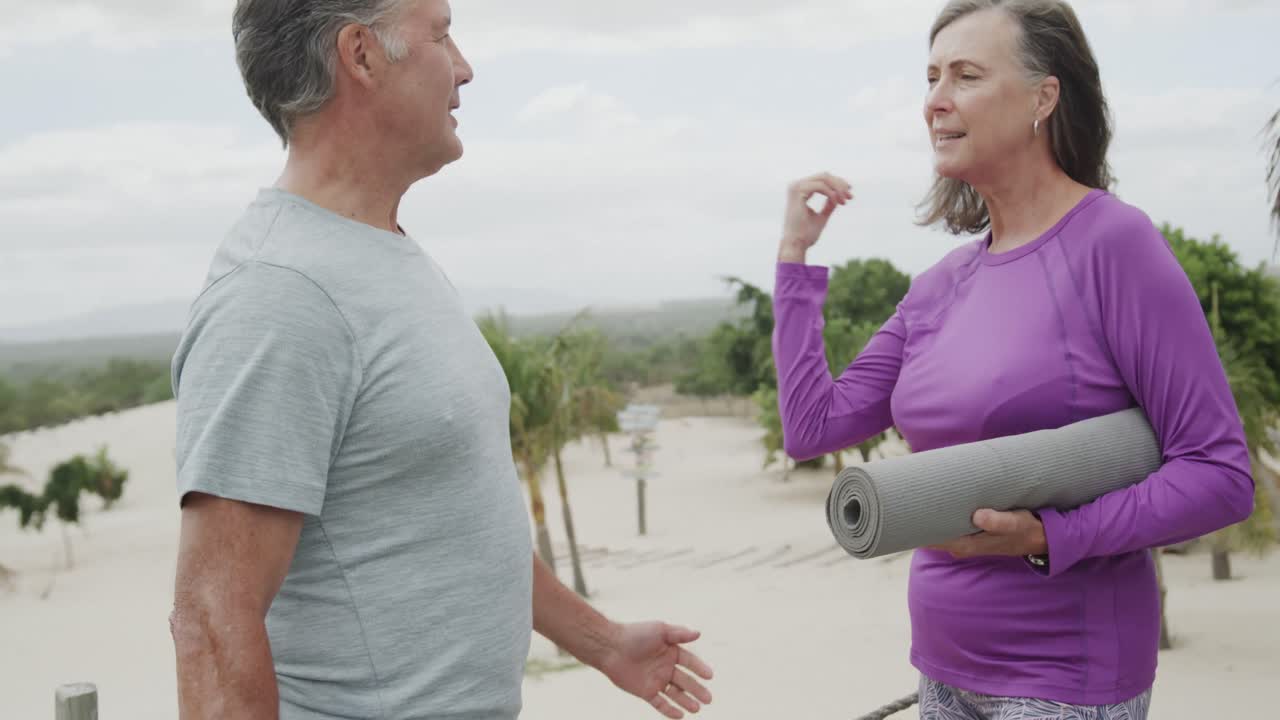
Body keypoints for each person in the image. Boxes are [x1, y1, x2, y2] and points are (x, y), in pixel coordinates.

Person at [167, 1, 713, 718]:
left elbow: (451, 519)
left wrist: (602, 642)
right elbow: (212, 623)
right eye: (441, 35)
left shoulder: (379, 251)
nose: (464, 68)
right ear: (360, 54)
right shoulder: (279, 296)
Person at [770, 1, 1253, 718]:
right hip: (941, 668)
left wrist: (1049, 538)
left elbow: (1219, 475)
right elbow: (812, 426)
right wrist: (794, 259)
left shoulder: (1113, 245)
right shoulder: (938, 289)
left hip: (1064, 681)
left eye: (965, 76)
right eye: (931, 78)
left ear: (1042, 97)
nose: (935, 101)